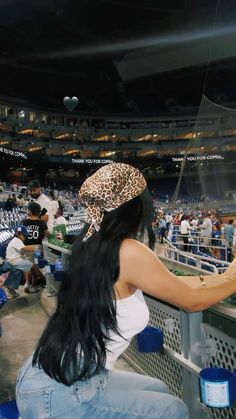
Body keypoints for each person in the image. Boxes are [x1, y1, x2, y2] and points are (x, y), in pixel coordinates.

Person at [16, 163, 236, 419]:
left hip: (51, 372)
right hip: (57, 390)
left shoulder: (94, 242)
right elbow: (193, 301)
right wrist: (232, 280)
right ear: (134, 205)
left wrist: (224, 277)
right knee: (172, 410)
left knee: (159, 388)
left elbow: (175, 284)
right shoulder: (128, 250)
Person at [3, 225, 38, 299]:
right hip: (13, 261)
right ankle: (35, 283)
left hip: (11, 260)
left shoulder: (16, 240)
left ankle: (10, 290)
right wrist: (37, 247)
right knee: (32, 266)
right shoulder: (16, 240)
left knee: (18, 272)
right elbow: (25, 248)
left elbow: (22, 251)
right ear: (18, 233)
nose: (25, 237)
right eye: (24, 235)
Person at [22, 202, 49, 292]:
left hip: (27, 247)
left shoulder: (25, 222)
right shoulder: (42, 222)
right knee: (35, 264)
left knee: (28, 264)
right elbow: (47, 234)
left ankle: (28, 283)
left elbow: (21, 234)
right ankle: (36, 282)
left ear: (30, 211)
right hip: (39, 248)